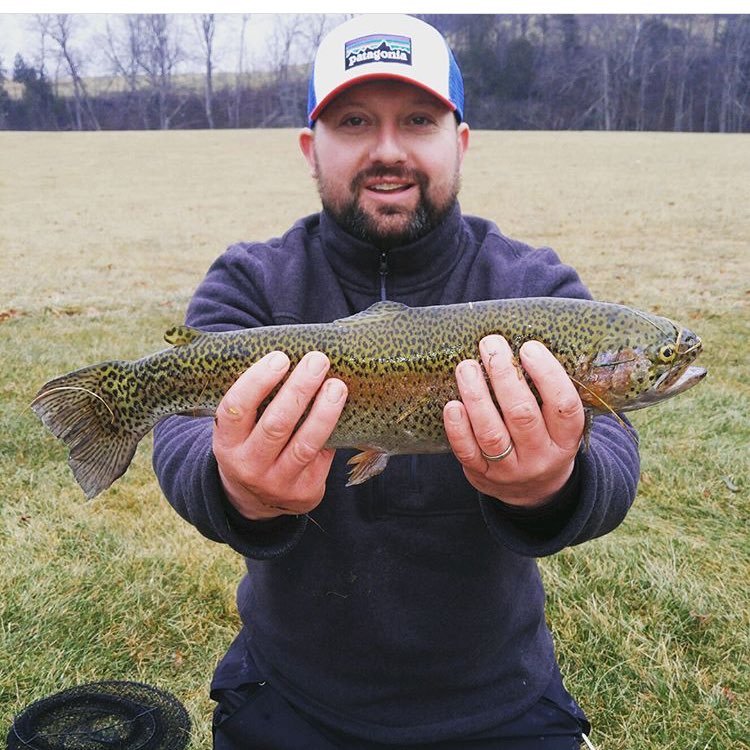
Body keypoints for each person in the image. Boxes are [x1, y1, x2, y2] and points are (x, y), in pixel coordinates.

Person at [153, 14, 639, 750]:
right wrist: (233, 489)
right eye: (354, 121)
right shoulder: (250, 283)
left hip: (499, 695)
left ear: (460, 141)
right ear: (312, 150)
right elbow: (181, 428)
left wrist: (554, 488)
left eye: (418, 119)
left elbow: (613, 451)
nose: (388, 150)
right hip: (290, 690)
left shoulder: (536, 285)